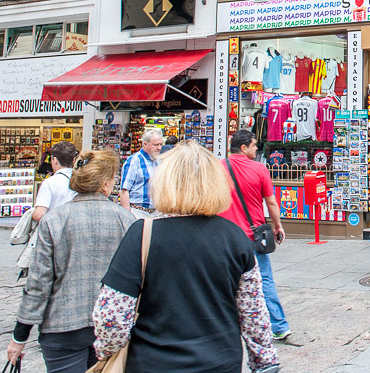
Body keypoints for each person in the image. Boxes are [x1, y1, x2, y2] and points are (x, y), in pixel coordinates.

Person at [93, 141, 279, 373]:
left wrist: (106, 351)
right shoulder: (235, 237)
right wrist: (264, 362)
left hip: (154, 362)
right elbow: (254, 314)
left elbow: (112, 317)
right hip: (220, 361)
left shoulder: (142, 235)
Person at [7, 150, 134, 373]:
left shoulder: (54, 220)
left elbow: (38, 284)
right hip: (110, 325)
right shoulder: (126, 220)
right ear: (105, 184)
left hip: (62, 324)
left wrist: (20, 336)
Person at [220, 130, 291, 340]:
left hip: (225, 236)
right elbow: (271, 202)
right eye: (253, 145)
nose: (257, 148)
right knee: (264, 280)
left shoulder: (218, 168)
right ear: (244, 148)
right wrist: (277, 226)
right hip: (253, 235)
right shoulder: (259, 169)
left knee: (226, 281)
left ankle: (226, 325)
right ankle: (278, 325)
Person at [119, 128, 164, 219]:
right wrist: (128, 216)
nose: (159, 148)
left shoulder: (158, 161)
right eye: (155, 145)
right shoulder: (134, 161)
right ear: (145, 144)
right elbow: (124, 191)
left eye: (160, 144)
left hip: (156, 212)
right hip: (138, 211)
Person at [31, 141, 79, 223]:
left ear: (55, 160)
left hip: (56, 227)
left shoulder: (50, 183)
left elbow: (39, 215)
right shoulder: (82, 180)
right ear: (74, 160)